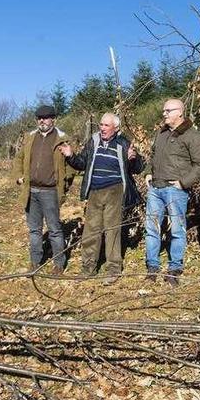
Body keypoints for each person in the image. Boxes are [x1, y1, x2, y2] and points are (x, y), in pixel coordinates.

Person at [59, 113, 145, 284]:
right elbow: (82, 163)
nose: (102, 128)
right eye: (101, 124)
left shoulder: (123, 143)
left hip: (115, 190)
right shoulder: (93, 140)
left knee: (112, 229)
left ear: (116, 128)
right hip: (95, 191)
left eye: (106, 125)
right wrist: (70, 156)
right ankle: (88, 268)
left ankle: (113, 269)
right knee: (91, 229)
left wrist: (133, 159)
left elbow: (139, 168)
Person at [143, 99, 200, 286]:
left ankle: (174, 268)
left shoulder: (191, 136)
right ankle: (152, 267)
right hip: (156, 188)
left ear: (180, 112)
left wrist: (184, 183)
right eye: (163, 111)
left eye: (168, 111)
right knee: (152, 229)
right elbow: (153, 156)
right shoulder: (161, 134)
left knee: (177, 230)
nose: (164, 114)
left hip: (175, 191)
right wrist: (148, 172)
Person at [11, 105, 73, 274]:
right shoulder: (30, 137)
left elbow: (71, 166)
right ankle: (35, 261)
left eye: (45, 118)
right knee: (34, 230)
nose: (42, 121)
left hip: (51, 192)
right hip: (31, 191)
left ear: (54, 119)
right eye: (39, 118)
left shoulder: (62, 138)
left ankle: (59, 263)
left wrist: (64, 183)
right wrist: (18, 176)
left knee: (54, 229)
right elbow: (19, 158)